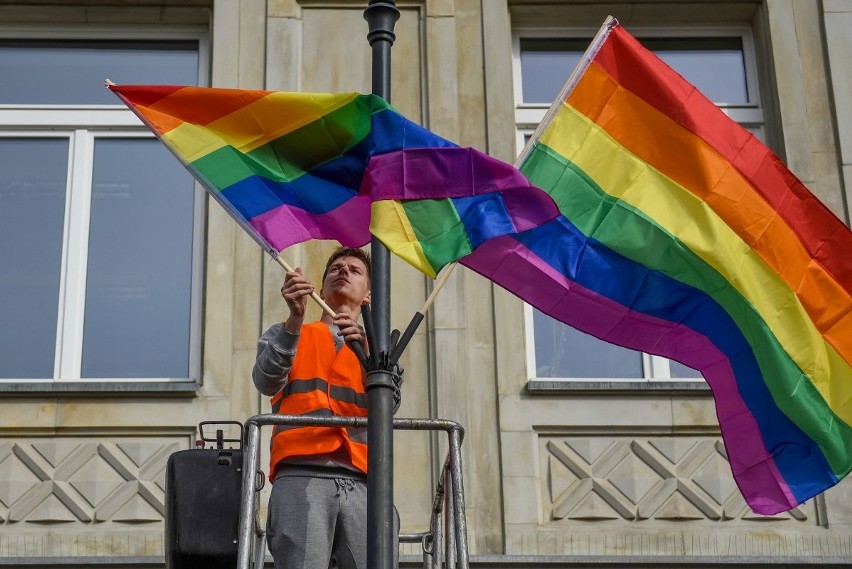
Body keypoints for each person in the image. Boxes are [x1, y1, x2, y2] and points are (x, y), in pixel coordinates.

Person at [253, 246, 397, 569]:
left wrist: (369, 354)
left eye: (354, 270)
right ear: (319, 288)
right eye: (336, 268)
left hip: (364, 482)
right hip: (300, 475)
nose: (343, 271)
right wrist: (294, 320)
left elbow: (391, 405)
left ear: (369, 296)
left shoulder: (382, 352)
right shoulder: (289, 333)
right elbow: (265, 381)